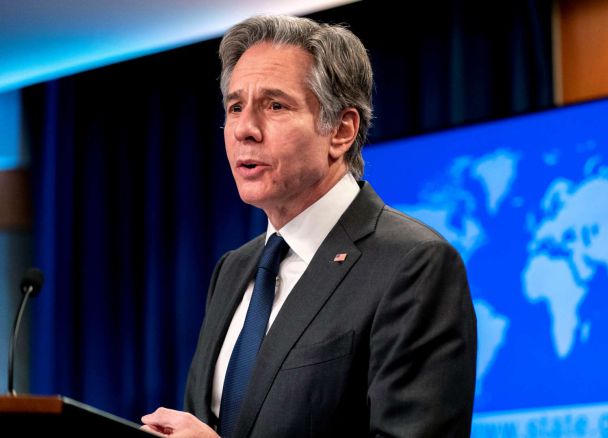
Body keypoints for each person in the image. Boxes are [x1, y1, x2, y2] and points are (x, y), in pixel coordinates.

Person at [141, 14, 476, 438]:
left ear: (341, 130)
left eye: (275, 106)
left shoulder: (413, 265)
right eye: (235, 107)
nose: (245, 129)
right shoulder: (233, 269)